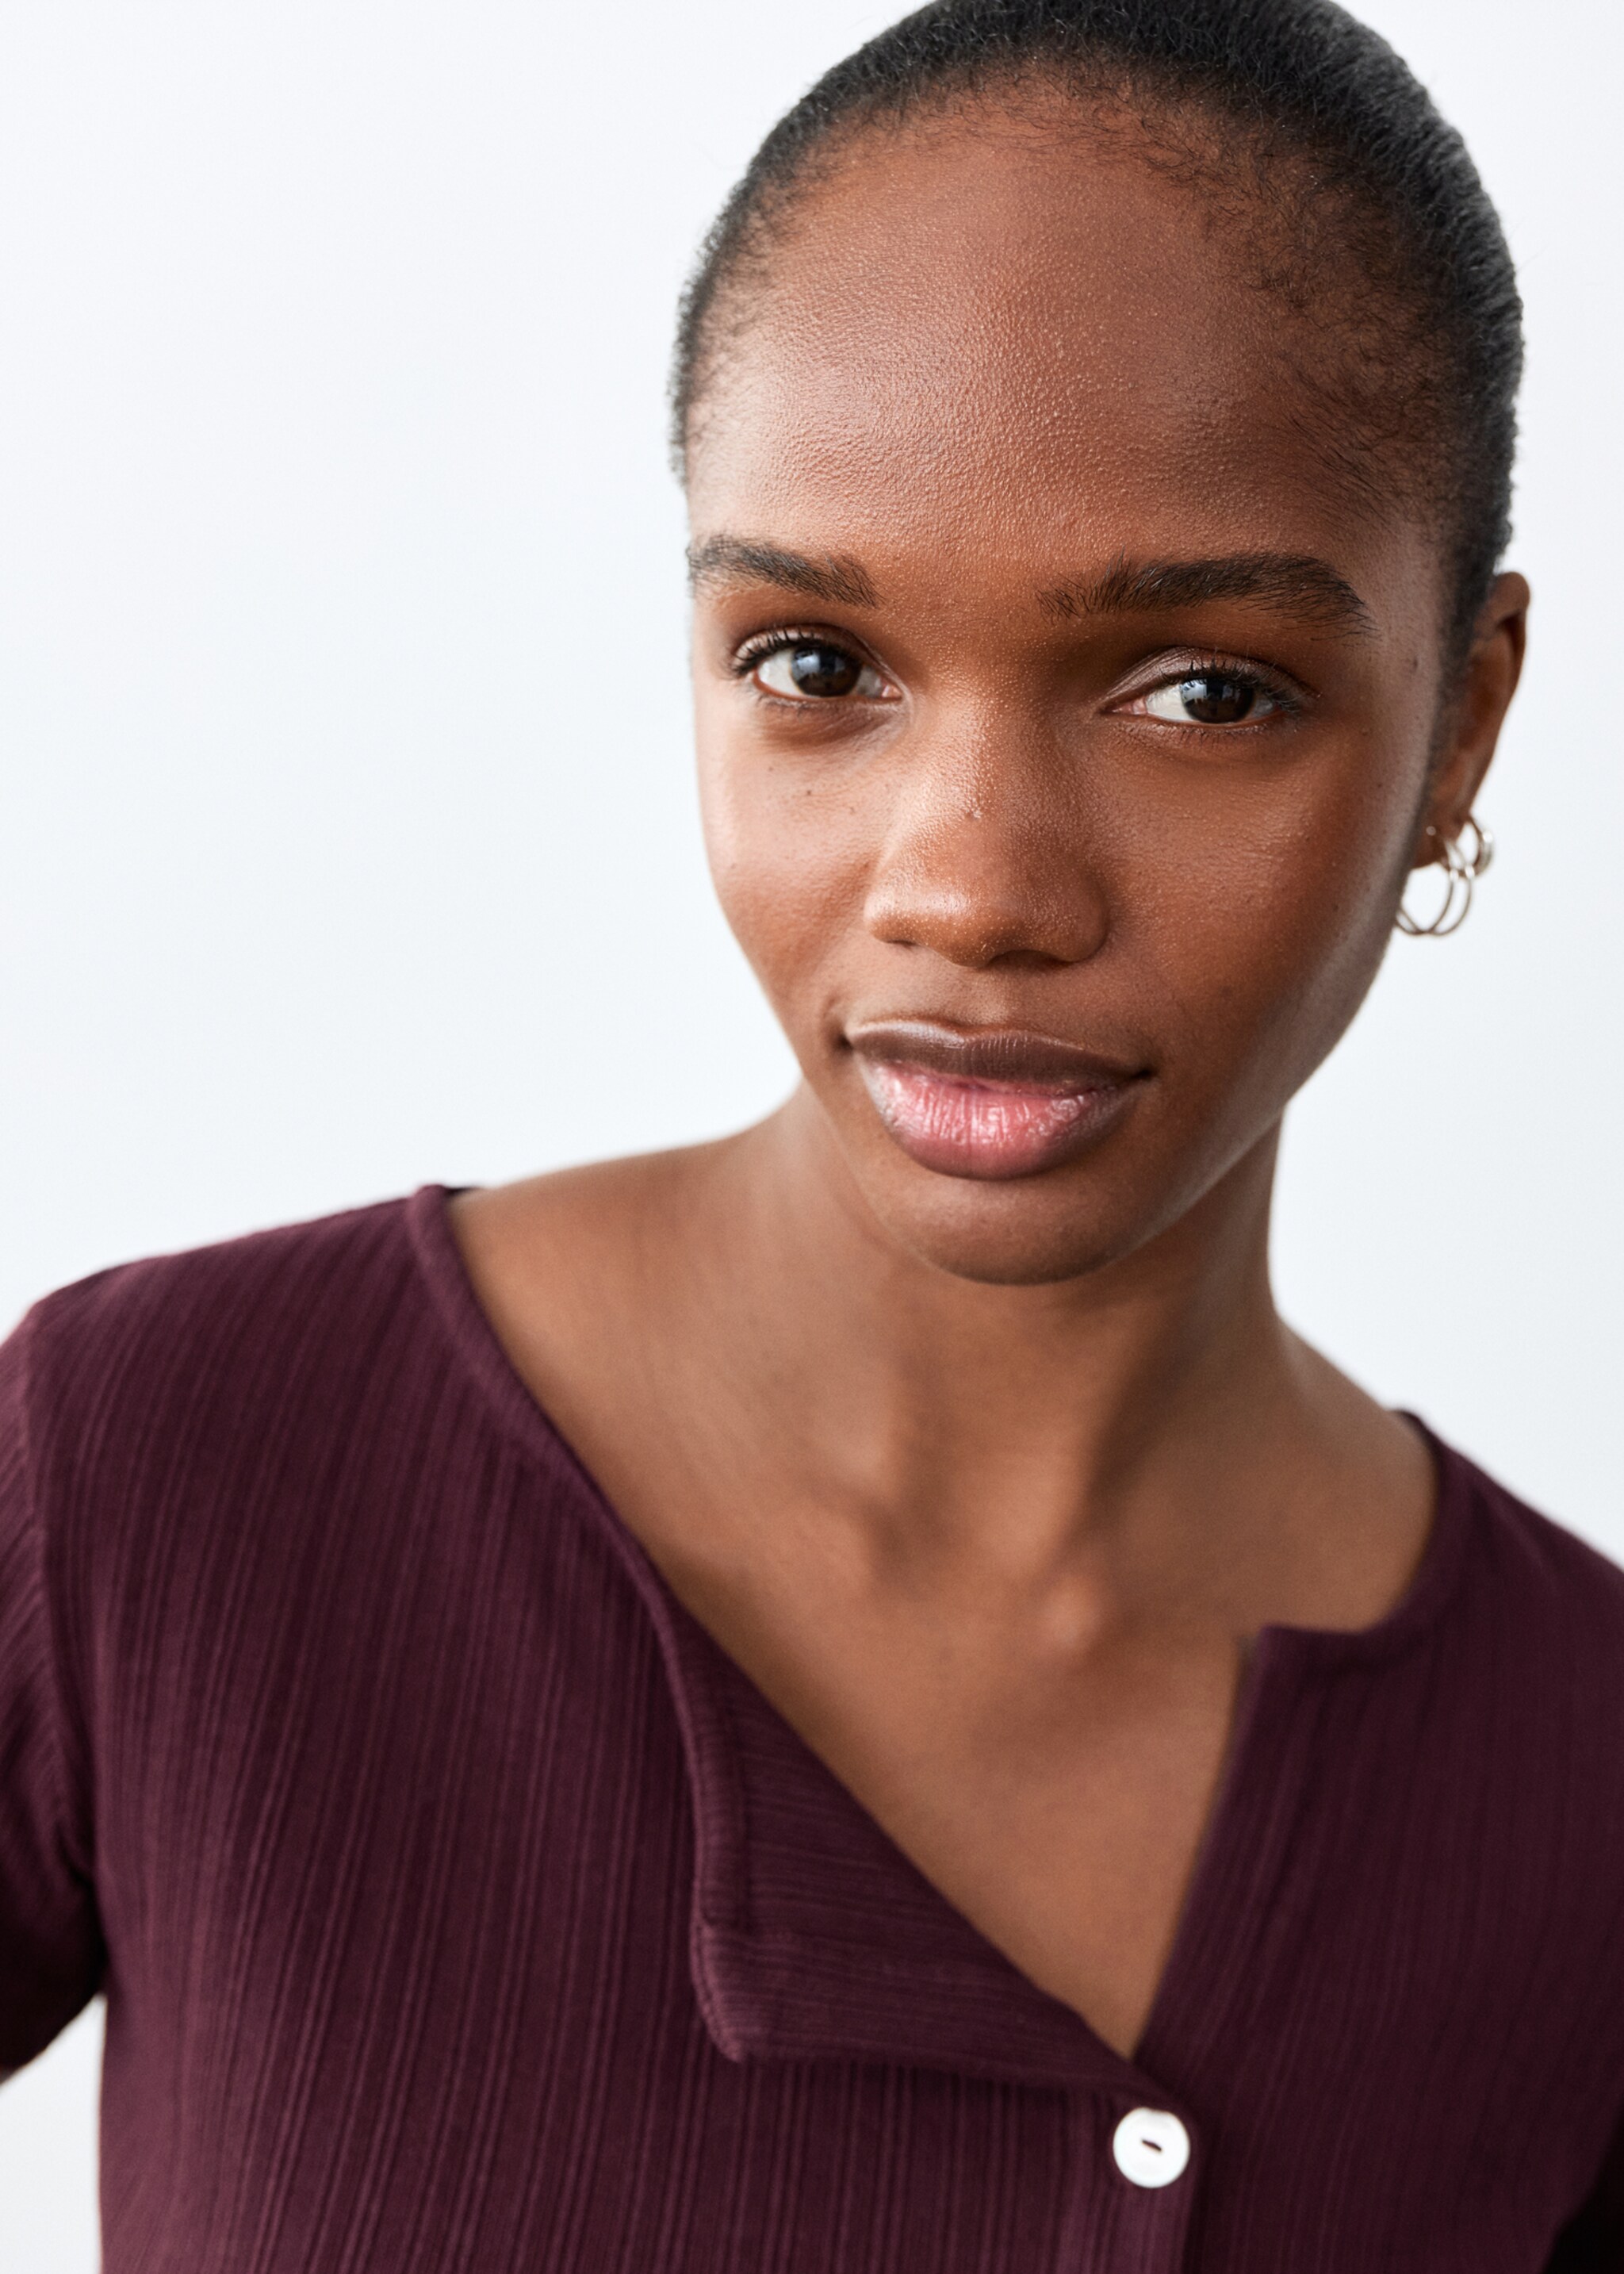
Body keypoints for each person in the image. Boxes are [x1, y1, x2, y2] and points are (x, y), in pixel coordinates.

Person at [3, 0, 1621, 2266]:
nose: (969, 885)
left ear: (1462, 721)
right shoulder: (161, 1472)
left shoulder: (1587, 1786)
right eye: (816, 666)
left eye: (1203, 691)